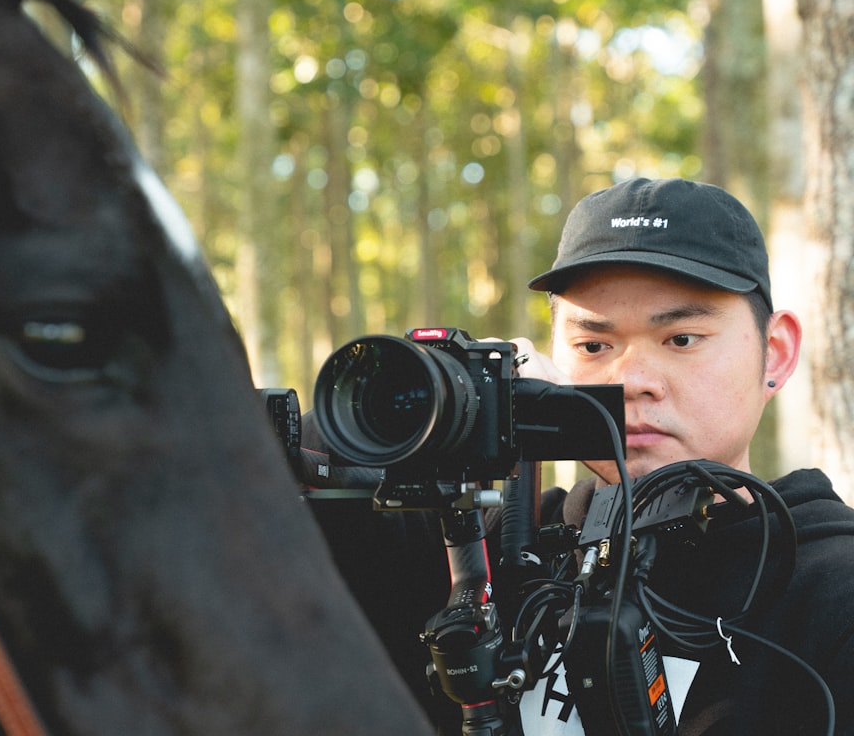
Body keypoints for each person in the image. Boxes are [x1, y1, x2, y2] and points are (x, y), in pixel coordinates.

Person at [306, 177, 854, 735]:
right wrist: (451, 401)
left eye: (681, 340)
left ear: (775, 354)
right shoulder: (481, 553)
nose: (632, 381)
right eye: (593, 346)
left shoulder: (831, 589)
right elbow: (278, 474)